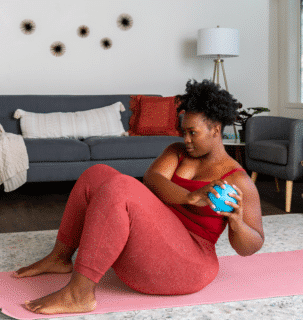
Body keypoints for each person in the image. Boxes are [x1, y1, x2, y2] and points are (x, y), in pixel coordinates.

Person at [13, 79, 264, 315]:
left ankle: (80, 294)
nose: (185, 139)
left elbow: (251, 246)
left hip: (190, 265)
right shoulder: (177, 152)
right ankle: (60, 257)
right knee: (96, 174)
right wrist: (189, 196)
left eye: (192, 133)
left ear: (215, 130)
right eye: (183, 131)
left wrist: (237, 223)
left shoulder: (238, 180)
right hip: (154, 243)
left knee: (121, 186)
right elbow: (152, 180)